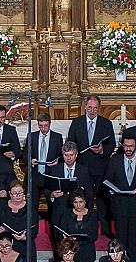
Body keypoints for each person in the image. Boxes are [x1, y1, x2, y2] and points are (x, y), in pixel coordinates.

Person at [67, 95, 116, 237]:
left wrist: (101, 150)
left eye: (95, 108)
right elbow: (71, 143)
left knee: (102, 201)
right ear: (85, 107)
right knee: (83, 198)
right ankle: (81, 227)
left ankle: (105, 230)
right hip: (82, 168)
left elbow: (112, 144)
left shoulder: (106, 124)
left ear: (98, 109)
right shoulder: (77, 123)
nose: (92, 110)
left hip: (100, 167)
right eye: (89, 107)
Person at [104, 135, 136, 262]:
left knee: (132, 241)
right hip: (119, 206)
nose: (128, 149)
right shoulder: (115, 161)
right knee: (120, 239)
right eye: (126, 146)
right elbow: (108, 179)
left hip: (135, 207)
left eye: (131, 146)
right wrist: (111, 190)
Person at [43, 140, 92, 228]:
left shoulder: (84, 171)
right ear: (63, 155)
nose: (68, 158)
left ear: (76, 155)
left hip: (77, 212)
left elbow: (89, 193)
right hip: (59, 212)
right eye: (66, 155)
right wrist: (52, 195)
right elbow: (47, 189)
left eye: (71, 155)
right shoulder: (55, 170)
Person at [0, 180, 39, 262]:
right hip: (6, 248)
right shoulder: (2, 207)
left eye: (20, 193)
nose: (18, 195)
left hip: (26, 247)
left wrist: (25, 237)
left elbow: (35, 230)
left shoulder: (31, 208)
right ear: (9, 194)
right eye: (14, 193)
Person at [22, 112, 64, 204]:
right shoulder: (32, 136)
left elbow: (61, 156)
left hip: (50, 174)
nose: (43, 128)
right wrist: (30, 160)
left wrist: (57, 161)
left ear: (50, 124)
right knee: (32, 203)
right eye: (41, 126)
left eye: (46, 125)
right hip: (35, 175)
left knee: (52, 203)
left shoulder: (57, 137)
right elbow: (25, 155)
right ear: (38, 125)